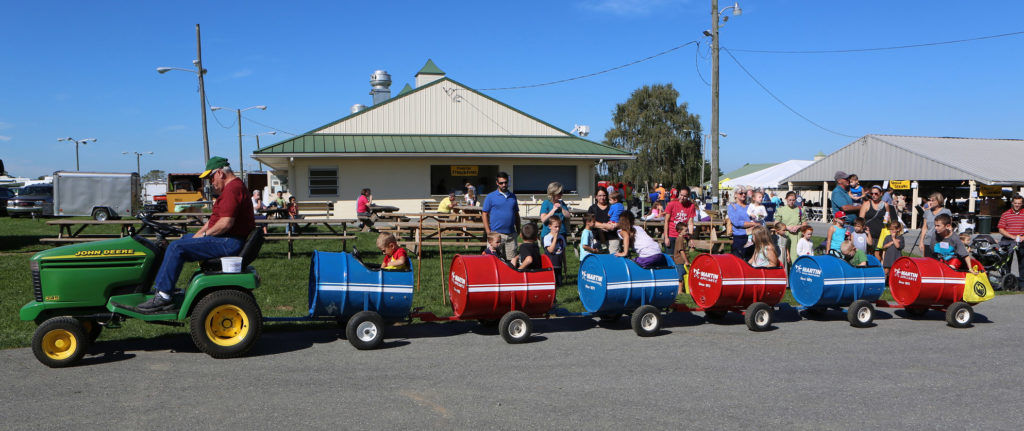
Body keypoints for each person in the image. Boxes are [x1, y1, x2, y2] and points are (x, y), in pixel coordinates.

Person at [137, 157, 254, 311]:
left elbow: (225, 223)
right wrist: (196, 236)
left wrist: (204, 237)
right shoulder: (231, 188)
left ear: (220, 173)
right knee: (182, 240)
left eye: (211, 178)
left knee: (176, 247)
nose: (211, 182)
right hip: (227, 239)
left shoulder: (233, 189)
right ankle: (165, 287)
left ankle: (163, 296)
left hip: (229, 242)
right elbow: (212, 222)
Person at [482, 172, 521, 260]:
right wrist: (488, 232)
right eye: (501, 183)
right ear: (497, 183)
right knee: (495, 262)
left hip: (511, 235)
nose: (504, 185)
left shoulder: (513, 196)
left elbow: (516, 214)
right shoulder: (490, 197)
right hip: (496, 235)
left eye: (505, 182)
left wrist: (518, 230)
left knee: (512, 262)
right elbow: (484, 214)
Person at [859, 185, 896, 259]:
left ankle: (878, 269)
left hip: (881, 234)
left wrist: (888, 220)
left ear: (881, 194)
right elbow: (860, 220)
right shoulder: (866, 204)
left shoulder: (885, 205)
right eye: (872, 194)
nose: (873, 195)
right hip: (869, 234)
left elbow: (888, 220)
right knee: (868, 254)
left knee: (878, 255)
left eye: (876, 194)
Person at [997, 194, 1024, 284]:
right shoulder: (1006, 214)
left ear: (1022, 204)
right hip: (1007, 240)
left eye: (1019, 203)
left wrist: (1022, 237)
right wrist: (1012, 237)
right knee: (1006, 262)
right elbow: (1001, 229)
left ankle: (1022, 283)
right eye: (1015, 203)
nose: (1017, 205)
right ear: (1012, 203)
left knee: (1022, 263)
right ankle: (1007, 282)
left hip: (1021, 240)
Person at [775, 191, 809, 260]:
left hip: (796, 237)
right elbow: (776, 223)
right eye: (789, 200)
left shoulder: (800, 210)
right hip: (784, 235)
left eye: (793, 200)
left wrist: (798, 226)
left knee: (794, 257)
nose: (791, 202)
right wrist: (787, 227)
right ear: (786, 199)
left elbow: (805, 223)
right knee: (784, 257)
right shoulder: (781, 210)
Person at [918, 192, 951, 258]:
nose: (930, 202)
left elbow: (949, 227)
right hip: (928, 241)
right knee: (928, 262)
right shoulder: (927, 212)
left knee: (941, 262)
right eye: (930, 200)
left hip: (941, 241)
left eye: (933, 200)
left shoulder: (946, 211)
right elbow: (924, 227)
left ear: (939, 201)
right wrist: (921, 241)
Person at [663, 186, 696, 250]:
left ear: (688, 196)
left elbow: (690, 223)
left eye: (685, 196)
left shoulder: (691, 206)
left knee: (681, 257)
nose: (682, 198)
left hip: (683, 236)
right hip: (671, 235)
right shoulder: (671, 204)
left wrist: (691, 238)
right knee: (671, 257)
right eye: (681, 195)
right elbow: (666, 221)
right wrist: (666, 237)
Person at [727, 186, 756, 260]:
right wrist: (753, 224)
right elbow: (737, 223)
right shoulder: (732, 207)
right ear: (735, 194)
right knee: (738, 261)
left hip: (751, 236)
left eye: (745, 193)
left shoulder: (749, 206)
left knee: (750, 260)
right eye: (741, 193)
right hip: (739, 238)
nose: (743, 195)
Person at [589, 188, 621, 254]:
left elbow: (622, 221)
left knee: (612, 260)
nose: (602, 197)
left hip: (613, 238)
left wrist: (615, 225)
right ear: (596, 197)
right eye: (600, 195)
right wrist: (606, 226)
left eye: (604, 195)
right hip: (597, 239)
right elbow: (590, 222)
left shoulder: (613, 206)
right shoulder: (592, 208)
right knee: (599, 261)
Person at [542, 217, 566, 287]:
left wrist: (565, 264)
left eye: (559, 227)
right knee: (551, 284)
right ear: (550, 226)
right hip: (550, 264)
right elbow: (550, 250)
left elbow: (563, 251)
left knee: (559, 284)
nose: (557, 229)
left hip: (559, 263)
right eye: (555, 227)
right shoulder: (547, 237)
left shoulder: (561, 237)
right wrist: (555, 238)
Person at [672, 221, 691, 295]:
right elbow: (681, 251)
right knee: (680, 276)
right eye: (685, 230)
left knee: (684, 275)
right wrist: (686, 261)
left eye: (687, 230)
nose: (687, 232)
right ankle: (679, 291)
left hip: (683, 261)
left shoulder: (683, 238)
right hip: (680, 261)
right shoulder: (679, 239)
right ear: (680, 231)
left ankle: (683, 289)